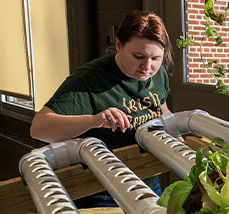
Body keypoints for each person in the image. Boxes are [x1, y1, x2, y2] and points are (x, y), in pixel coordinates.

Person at [30, 10, 175, 208]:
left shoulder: (158, 75)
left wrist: (175, 131)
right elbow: (39, 128)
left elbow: (161, 108)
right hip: (102, 192)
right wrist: (94, 120)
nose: (147, 67)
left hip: (147, 183)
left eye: (156, 58)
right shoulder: (88, 80)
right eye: (138, 56)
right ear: (118, 45)